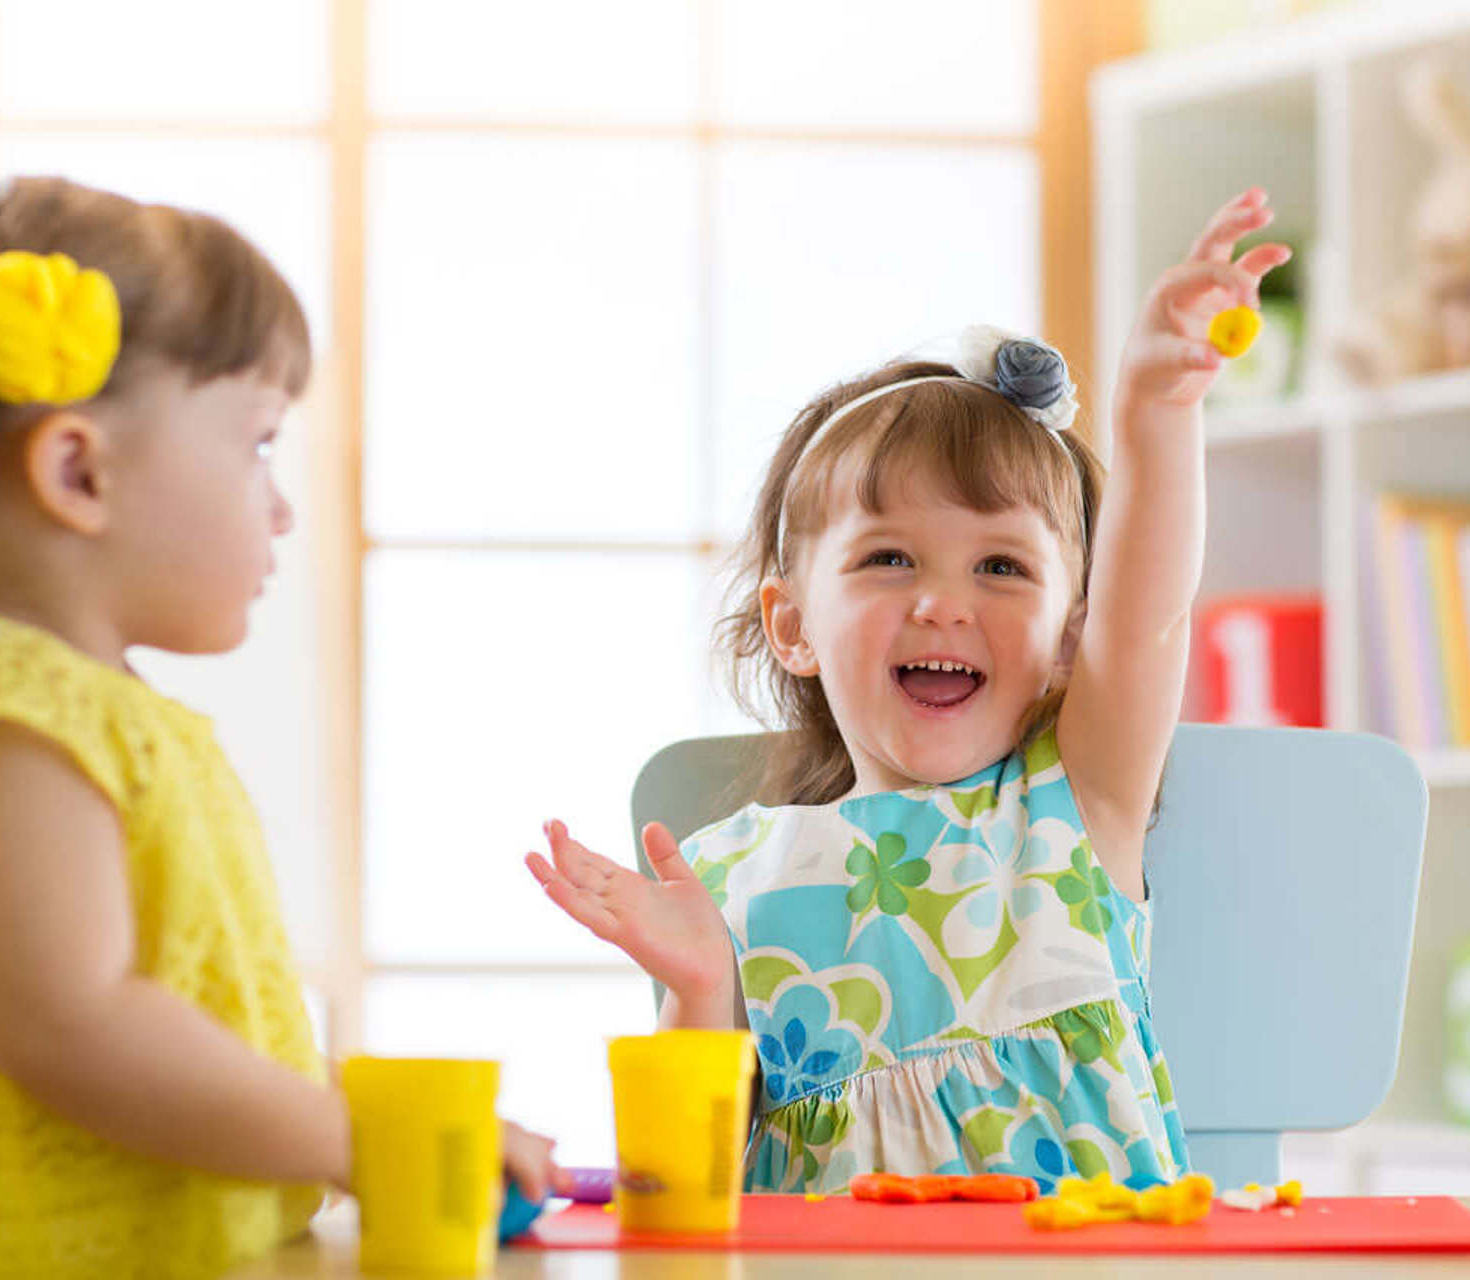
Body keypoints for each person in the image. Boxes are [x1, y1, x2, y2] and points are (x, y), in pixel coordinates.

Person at [0, 176, 564, 1278]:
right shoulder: (12, 716)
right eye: (257, 441)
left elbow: (173, 1001)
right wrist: (362, 1138)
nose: (283, 504)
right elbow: (76, 1024)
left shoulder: (85, 711)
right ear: (78, 470)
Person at [527, 190, 1291, 1194]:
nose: (943, 602)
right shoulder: (729, 882)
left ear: (1069, 638)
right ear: (793, 622)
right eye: (889, 556)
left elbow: (1148, 614)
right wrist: (701, 982)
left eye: (1002, 567)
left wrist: (1158, 411)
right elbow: (679, 1192)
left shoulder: (1073, 802)